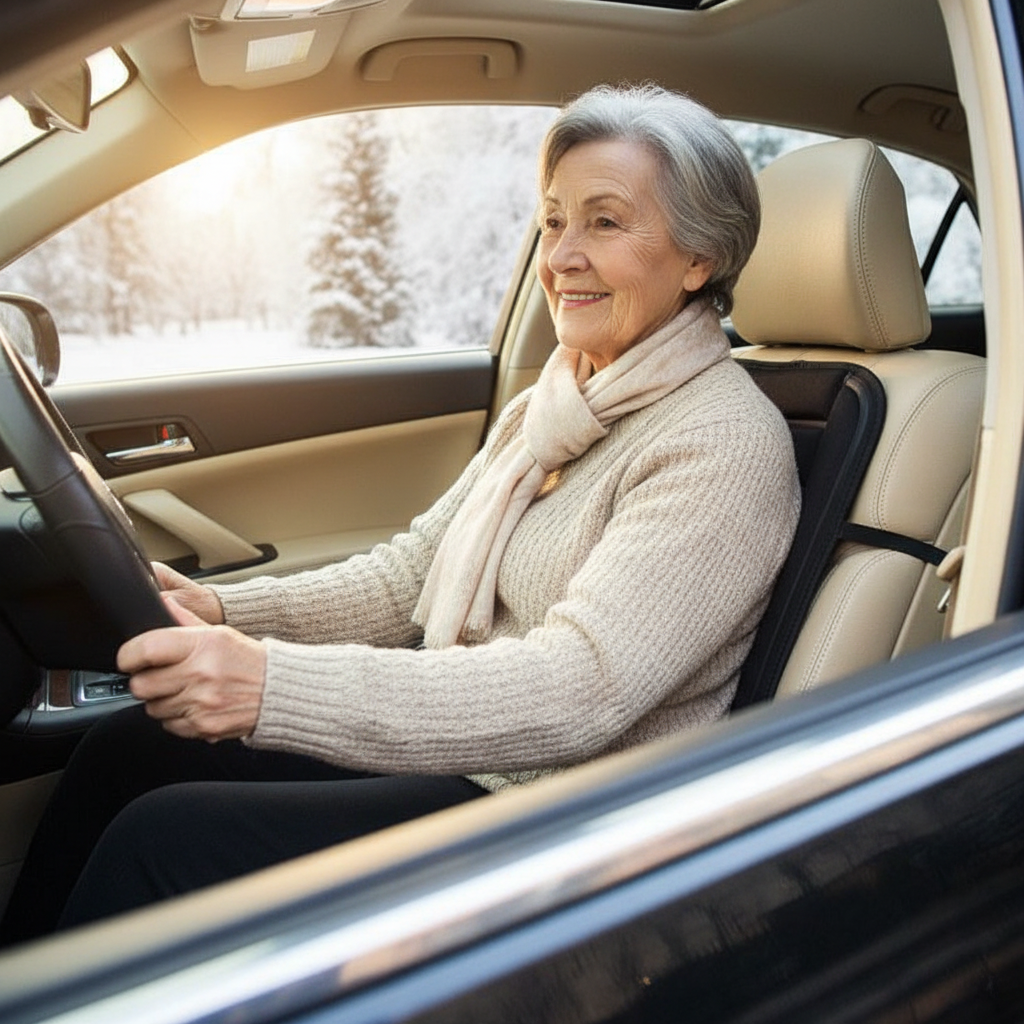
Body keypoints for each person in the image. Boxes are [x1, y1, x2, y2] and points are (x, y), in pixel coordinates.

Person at [0, 83, 800, 944]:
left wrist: (269, 683)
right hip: (481, 754)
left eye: (605, 222)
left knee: (167, 844)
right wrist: (222, 611)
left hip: (567, 806)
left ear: (698, 258)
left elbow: (582, 689)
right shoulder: (558, 402)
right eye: (554, 218)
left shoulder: (724, 442)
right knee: (127, 753)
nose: (561, 254)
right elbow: (412, 573)